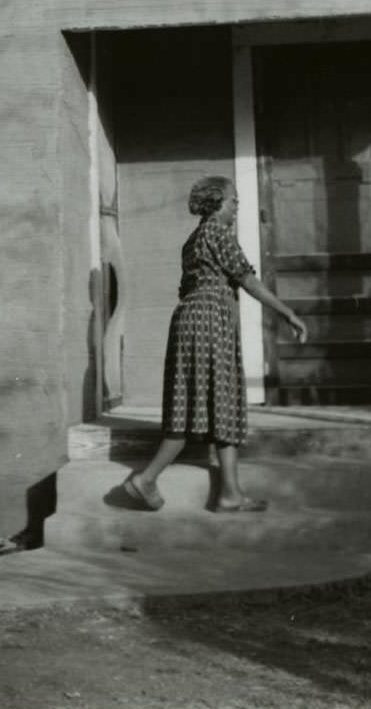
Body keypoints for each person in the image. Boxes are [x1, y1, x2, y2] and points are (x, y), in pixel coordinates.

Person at [123, 174, 307, 513]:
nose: (237, 206)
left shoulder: (192, 240)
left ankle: (230, 494)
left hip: (188, 318)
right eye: (233, 200)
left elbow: (185, 289)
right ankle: (146, 478)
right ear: (217, 203)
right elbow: (248, 280)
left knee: (202, 403)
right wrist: (287, 313)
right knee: (217, 400)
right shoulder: (219, 233)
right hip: (211, 321)